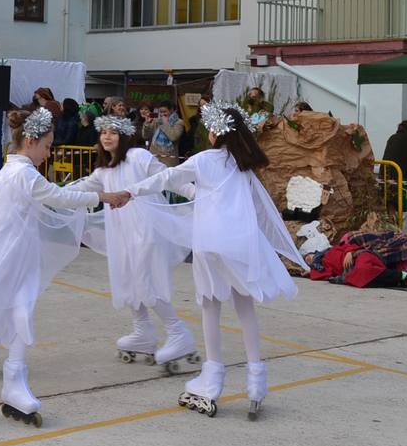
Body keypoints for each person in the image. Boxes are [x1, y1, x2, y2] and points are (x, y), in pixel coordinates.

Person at [0, 107, 131, 429]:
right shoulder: (23, 174)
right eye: (47, 146)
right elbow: (59, 197)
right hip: (0, 258)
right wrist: (105, 196)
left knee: (21, 313)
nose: (49, 153)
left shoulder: (11, 170)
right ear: (31, 141)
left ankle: (15, 382)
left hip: (18, 258)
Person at [125, 102, 308, 420]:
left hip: (210, 243)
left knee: (210, 306)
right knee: (244, 307)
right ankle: (255, 381)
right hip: (239, 242)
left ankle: (212, 378)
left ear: (216, 131)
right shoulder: (242, 164)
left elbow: (166, 178)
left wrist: (129, 192)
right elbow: (260, 209)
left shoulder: (206, 160)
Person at [63, 114, 196, 370]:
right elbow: (81, 188)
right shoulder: (104, 170)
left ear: (123, 136)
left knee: (146, 281)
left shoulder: (138, 157)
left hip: (145, 231)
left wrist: (195, 194)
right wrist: (48, 193)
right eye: (103, 133)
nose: (107, 137)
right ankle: (143, 331)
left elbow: (166, 177)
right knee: (129, 280)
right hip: (122, 234)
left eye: (113, 132)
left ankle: (178, 332)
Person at [149, 101, 185, 167]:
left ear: (172, 110)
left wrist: (165, 123)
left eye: (165, 112)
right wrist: (146, 124)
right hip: (154, 155)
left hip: (169, 158)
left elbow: (173, 137)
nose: (162, 114)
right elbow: (145, 135)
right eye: (161, 112)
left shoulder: (179, 122)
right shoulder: (157, 121)